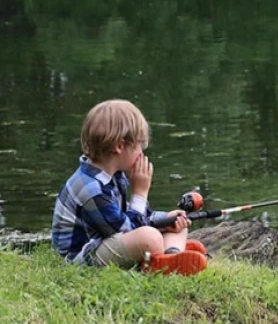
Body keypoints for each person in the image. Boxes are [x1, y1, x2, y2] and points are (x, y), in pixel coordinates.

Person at [51, 99, 208, 276]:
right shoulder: (90, 188)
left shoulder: (114, 175)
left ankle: (171, 255)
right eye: (139, 145)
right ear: (119, 146)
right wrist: (140, 192)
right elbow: (125, 230)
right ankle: (164, 258)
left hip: (110, 239)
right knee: (149, 237)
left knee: (175, 218)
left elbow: (139, 217)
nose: (142, 152)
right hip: (80, 259)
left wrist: (168, 221)